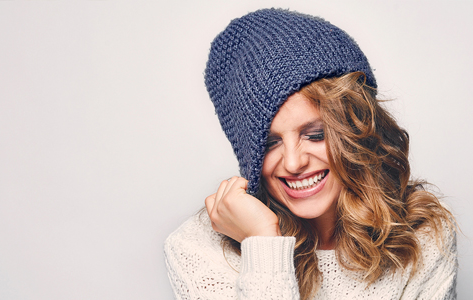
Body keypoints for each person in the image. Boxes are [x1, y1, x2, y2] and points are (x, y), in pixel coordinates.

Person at [164, 8, 457, 300]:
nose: (293, 163)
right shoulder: (198, 248)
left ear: (357, 129)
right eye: (269, 144)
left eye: (315, 134)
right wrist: (262, 244)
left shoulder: (423, 236)